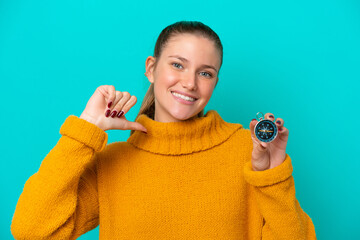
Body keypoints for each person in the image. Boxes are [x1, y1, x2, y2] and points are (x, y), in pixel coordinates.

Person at [11, 21, 317, 239]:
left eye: (205, 73)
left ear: (215, 83)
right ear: (150, 68)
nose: (190, 83)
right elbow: (31, 230)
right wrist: (85, 131)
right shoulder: (114, 163)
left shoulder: (245, 151)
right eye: (178, 65)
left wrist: (271, 176)